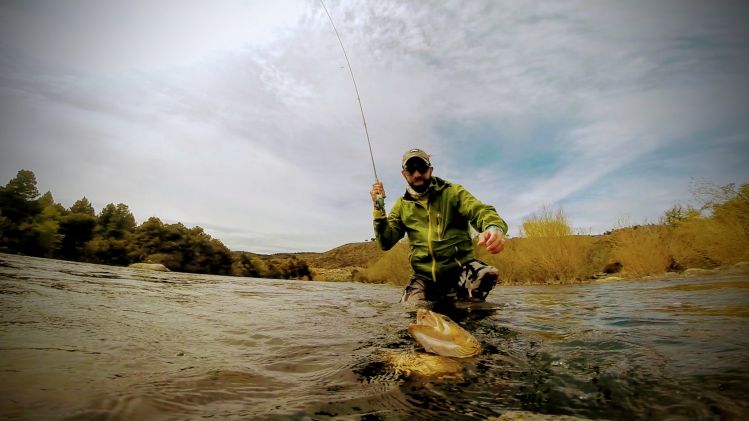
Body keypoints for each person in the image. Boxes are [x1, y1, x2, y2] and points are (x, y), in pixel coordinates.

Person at [370, 148, 508, 306]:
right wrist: (378, 208)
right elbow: (385, 242)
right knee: (413, 312)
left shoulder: (453, 192)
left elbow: (480, 211)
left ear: (430, 170)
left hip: (459, 269)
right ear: (404, 174)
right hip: (423, 277)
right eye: (411, 170)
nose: (417, 174)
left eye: (421, 168)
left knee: (486, 274)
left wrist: (493, 227)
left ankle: (470, 310)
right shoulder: (401, 206)